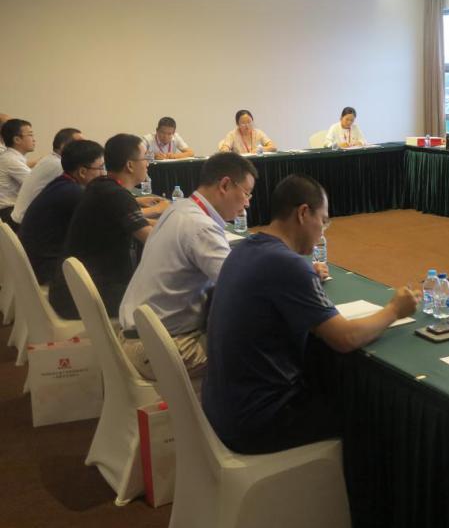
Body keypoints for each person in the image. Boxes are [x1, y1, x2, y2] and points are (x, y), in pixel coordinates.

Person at [202, 174, 418, 454]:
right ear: (303, 213)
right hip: (257, 421)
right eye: (323, 221)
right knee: (376, 414)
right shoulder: (287, 264)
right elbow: (346, 338)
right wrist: (394, 310)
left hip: (221, 406)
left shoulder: (245, 248)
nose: (323, 233)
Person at [117, 153, 258, 380]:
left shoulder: (180, 208)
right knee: (258, 354)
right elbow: (243, 289)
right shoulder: (201, 227)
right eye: (246, 193)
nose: (247, 202)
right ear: (225, 185)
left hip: (138, 335)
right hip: (159, 347)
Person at [47, 134, 156, 320]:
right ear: (130, 165)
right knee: (166, 298)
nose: (148, 163)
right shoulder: (115, 194)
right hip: (83, 297)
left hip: (71, 289)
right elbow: (154, 240)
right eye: (145, 158)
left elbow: (137, 222)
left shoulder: (101, 185)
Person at [19, 140, 105, 285]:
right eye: (101, 168)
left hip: (34, 262)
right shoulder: (73, 193)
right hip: (46, 270)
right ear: (82, 172)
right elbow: (106, 220)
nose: (104, 173)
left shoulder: (62, 183)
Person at [11, 127, 82, 225]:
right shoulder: (59, 165)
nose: (84, 147)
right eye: (80, 144)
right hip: (25, 223)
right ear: (64, 146)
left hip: (20, 219)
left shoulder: (50, 159)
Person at [0, 118, 36, 227]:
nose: (34, 139)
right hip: (9, 214)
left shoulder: (12, 157)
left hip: (11, 211)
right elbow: (35, 185)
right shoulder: (11, 160)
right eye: (30, 135)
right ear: (17, 139)